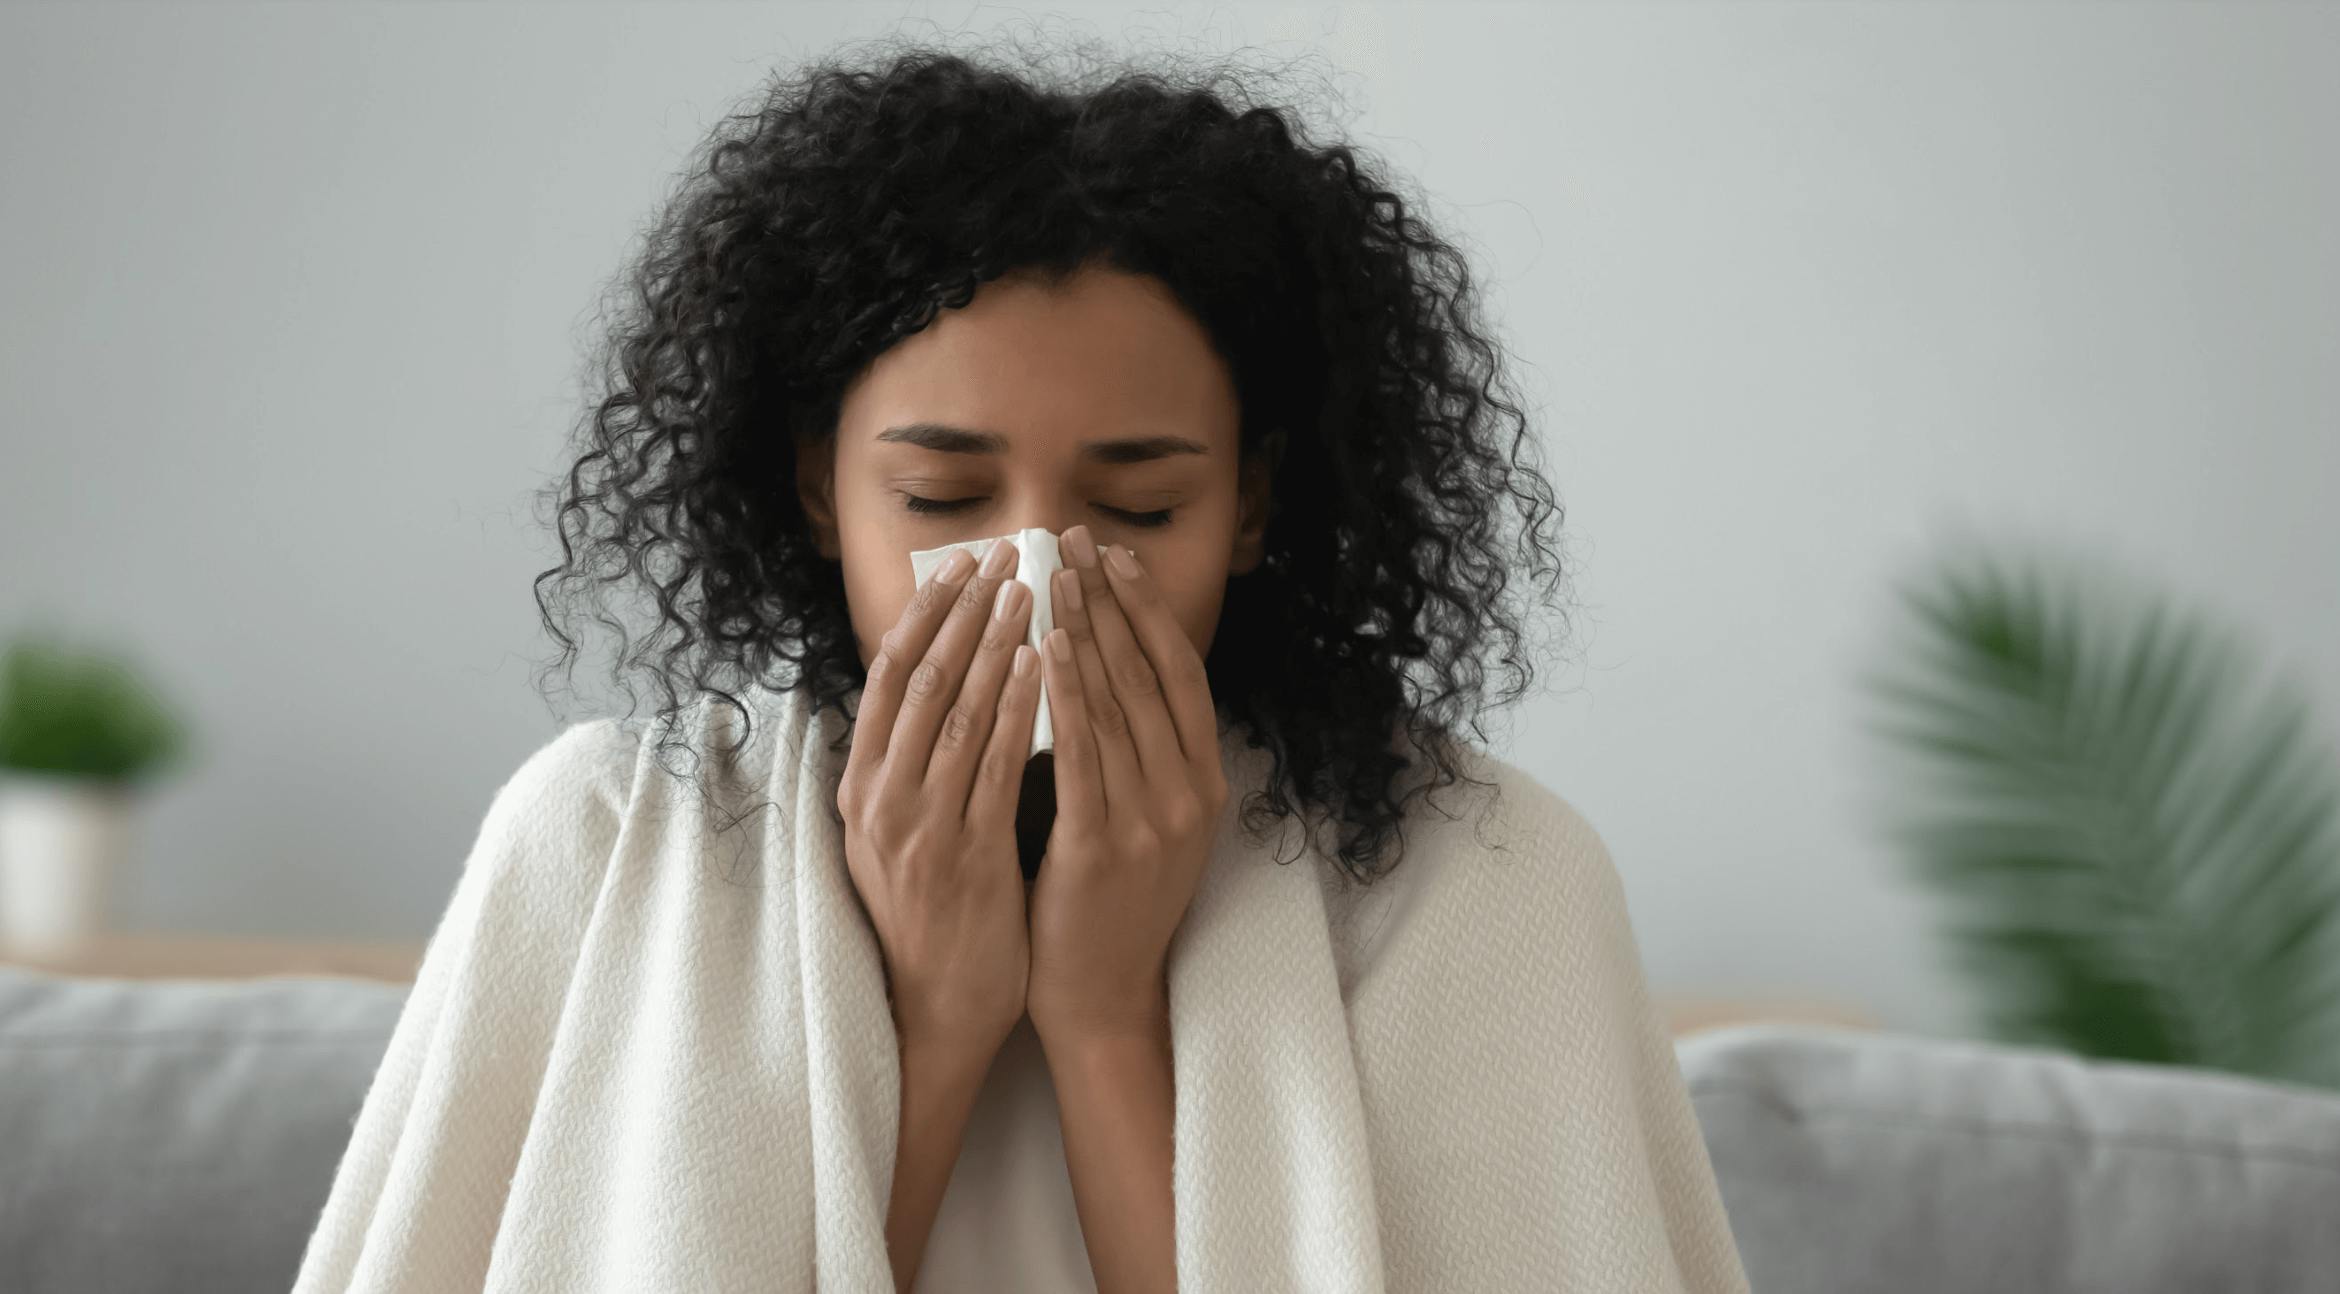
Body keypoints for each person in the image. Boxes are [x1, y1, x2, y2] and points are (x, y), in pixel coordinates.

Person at [294, 32, 1751, 1294]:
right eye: (940, 501)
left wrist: (1106, 1015)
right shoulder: (609, 839)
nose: (1038, 577)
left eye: (1138, 506)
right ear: (817, 492)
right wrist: (933, 1014)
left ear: (1248, 505)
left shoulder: (1489, 879)